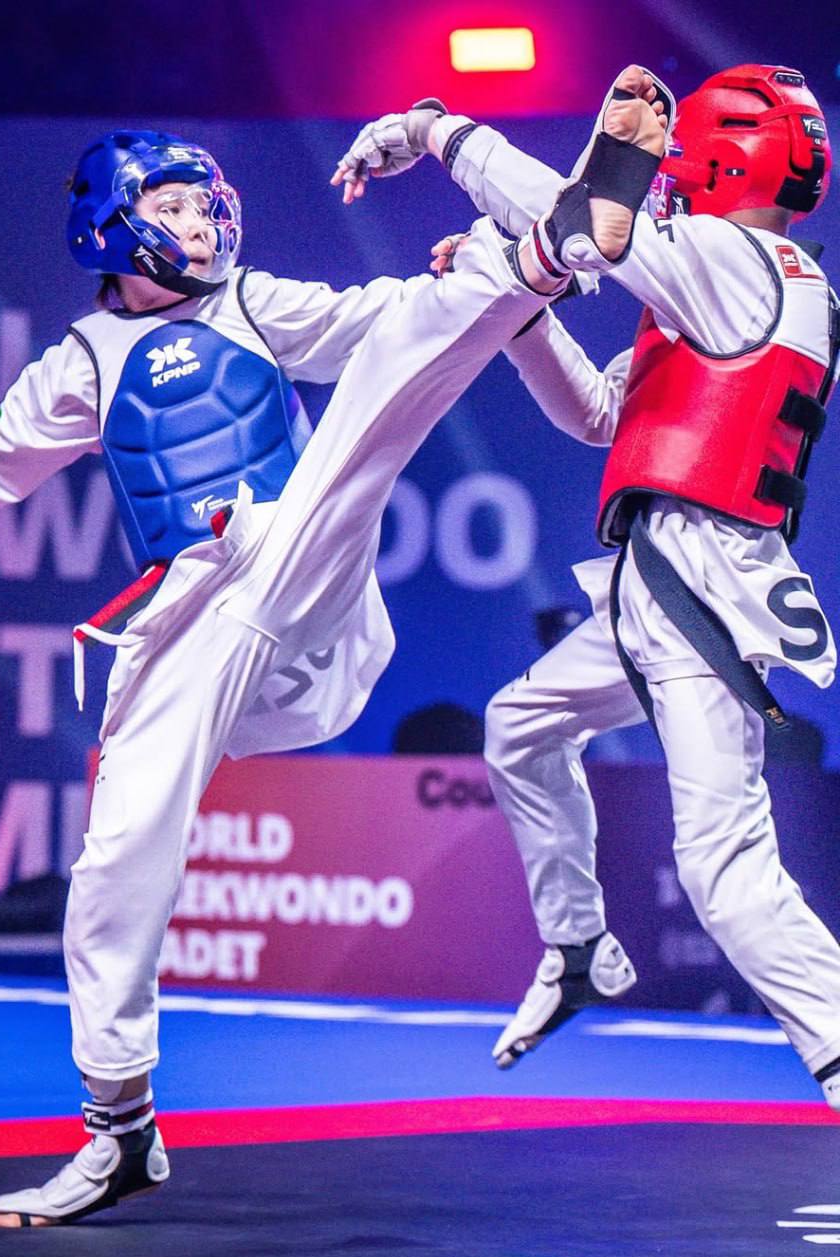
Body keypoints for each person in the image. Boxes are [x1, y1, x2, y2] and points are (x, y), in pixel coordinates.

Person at [0, 100, 666, 1225]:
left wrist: (472, 271)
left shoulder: (254, 303)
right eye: (171, 206)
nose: (199, 224)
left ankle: (554, 238)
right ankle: (120, 1130)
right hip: (196, 621)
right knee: (115, 863)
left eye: (204, 203)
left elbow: (381, 323)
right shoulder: (83, 361)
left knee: (399, 351)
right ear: (112, 228)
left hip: (300, 565)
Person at [335, 64, 840, 1106]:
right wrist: (525, 317)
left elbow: (578, 222)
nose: (671, 171)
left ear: (714, 156)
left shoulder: (736, 261)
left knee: (726, 873)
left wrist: (437, 131)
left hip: (698, 588)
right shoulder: (742, 280)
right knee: (520, 725)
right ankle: (576, 950)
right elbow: (603, 417)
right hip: (660, 575)